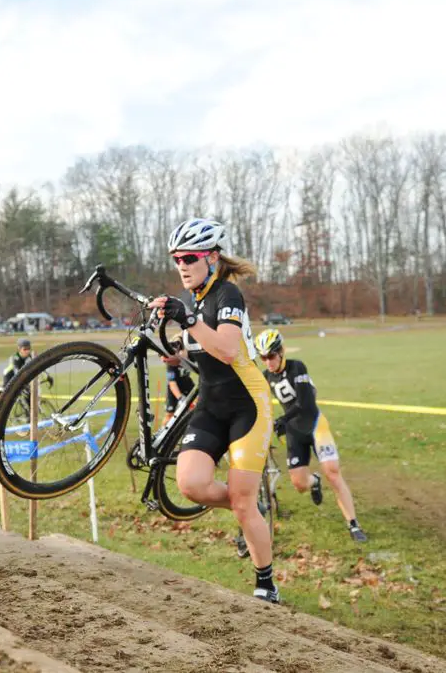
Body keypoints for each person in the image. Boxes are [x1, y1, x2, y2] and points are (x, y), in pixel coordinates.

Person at [151, 218, 278, 603]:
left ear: (211, 256)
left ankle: (266, 584)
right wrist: (177, 352)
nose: (182, 266)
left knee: (240, 504)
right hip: (211, 404)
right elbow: (203, 350)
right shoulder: (199, 300)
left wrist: (186, 319)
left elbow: (226, 348)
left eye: (189, 257)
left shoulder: (228, 295)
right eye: (176, 259)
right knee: (191, 485)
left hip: (247, 406)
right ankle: (248, 503)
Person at [255, 329, 368, 543]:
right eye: (263, 357)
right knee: (299, 485)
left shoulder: (297, 367)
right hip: (294, 432)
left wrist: (282, 420)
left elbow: (305, 403)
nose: (268, 362)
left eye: (270, 356)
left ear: (281, 352)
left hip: (315, 425)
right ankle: (314, 481)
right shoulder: (266, 376)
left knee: (332, 473)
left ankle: (353, 524)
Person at [0, 338, 51, 410]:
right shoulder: (15, 358)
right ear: (19, 349)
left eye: (29, 349)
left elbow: (39, 365)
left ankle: (29, 413)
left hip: (20, 375)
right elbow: (17, 372)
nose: (27, 351)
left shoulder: (30, 356)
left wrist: (47, 376)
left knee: (29, 394)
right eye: (25, 349)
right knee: (4, 391)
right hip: (9, 375)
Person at [161, 334, 196, 427]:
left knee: (196, 409)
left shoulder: (190, 355)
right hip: (174, 388)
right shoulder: (172, 362)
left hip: (187, 383)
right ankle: (161, 432)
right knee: (169, 414)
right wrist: (180, 398)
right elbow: (172, 383)